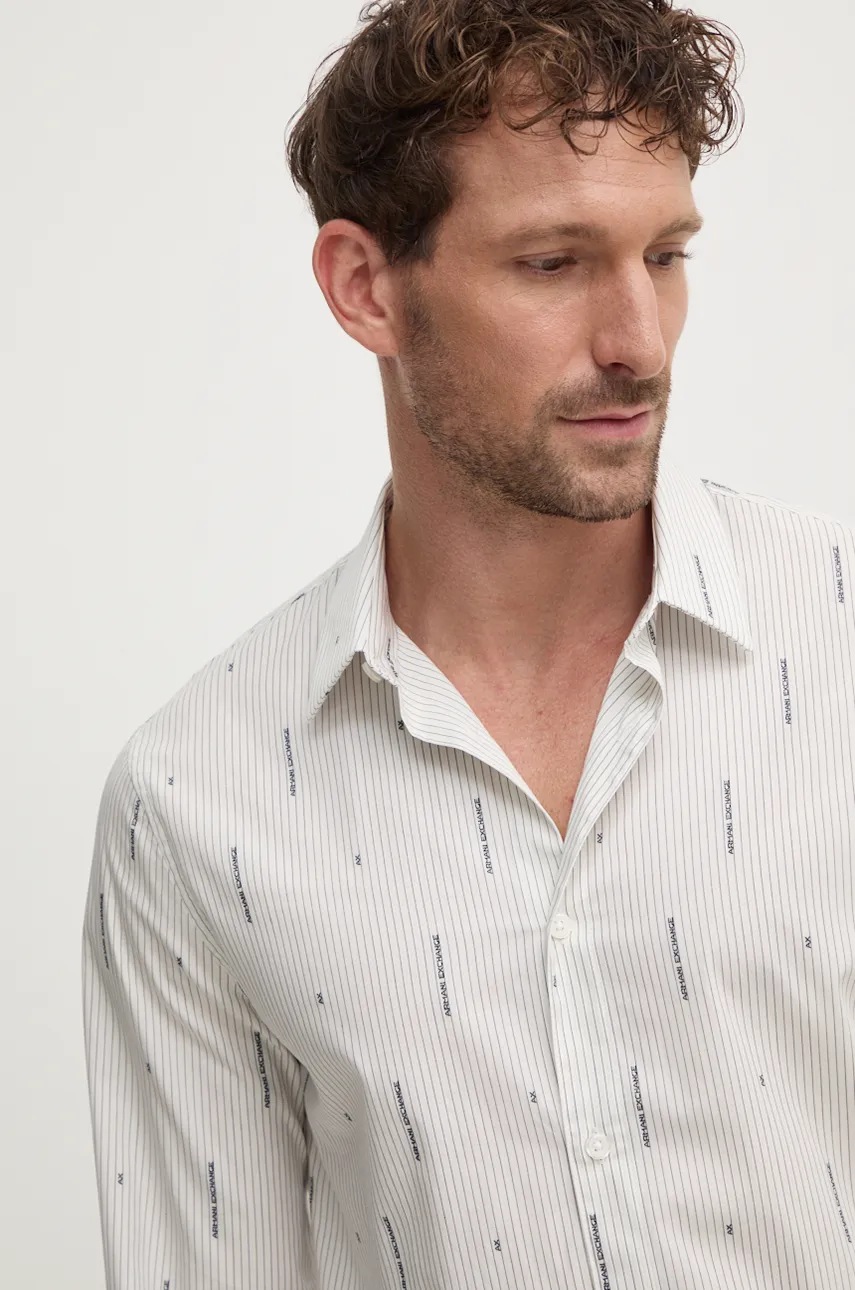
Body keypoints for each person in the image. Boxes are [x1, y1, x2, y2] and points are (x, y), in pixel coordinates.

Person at [81, 2, 855, 1287]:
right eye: (552, 264)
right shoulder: (195, 804)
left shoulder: (838, 642)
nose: (639, 342)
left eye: (665, 255)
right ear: (365, 287)